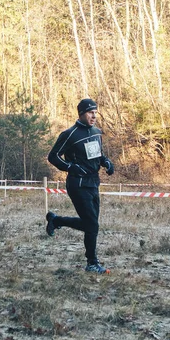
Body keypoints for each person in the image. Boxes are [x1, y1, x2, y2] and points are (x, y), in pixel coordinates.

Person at [46, 98, 115, 274]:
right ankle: (92, 263)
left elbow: (98, 155)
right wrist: (70, 167)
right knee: (92, 225)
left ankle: (56, 220)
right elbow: (53, 156)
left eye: (95, 113)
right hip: (77, 185)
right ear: (81, 113)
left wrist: (106, 162)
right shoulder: (70, 134)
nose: (94, 116)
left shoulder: (96, 132)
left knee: (90, 224)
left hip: (93, 183)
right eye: (90, 113)